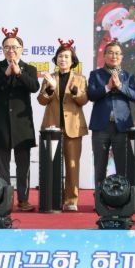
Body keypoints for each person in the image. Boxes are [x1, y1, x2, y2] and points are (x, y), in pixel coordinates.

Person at [0, 27, 39, 211]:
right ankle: (3, 200)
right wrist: (6, 73)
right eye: (7, 47)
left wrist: (19, 73)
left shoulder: (29, 69)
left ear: (21, 49)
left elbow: (34, 87)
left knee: (23, 166)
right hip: (0, 124)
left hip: (22, 126)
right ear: (3, 50)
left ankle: (23, 200)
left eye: (14, 47)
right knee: (2, 166)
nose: (11, 50)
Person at [37, 39, 88, 211]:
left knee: (72, 165)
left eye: (66, 57)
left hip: (73, 127)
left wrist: (74, 91)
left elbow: (83, 100)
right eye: (60, 56)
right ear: (56, 59)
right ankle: (53, 198)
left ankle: (71, 200)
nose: (63, 59)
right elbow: (41, 100)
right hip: (52, 128)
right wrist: (50, 88)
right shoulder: (50, 78)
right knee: (52, 165)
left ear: (72, 60)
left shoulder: (80, 78)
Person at [87, 40, 135, 187]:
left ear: (121, 57)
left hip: (121, 127)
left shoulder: (128, 76)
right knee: (99, 166)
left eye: (117, 53)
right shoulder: (95, 74)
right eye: (110, 53)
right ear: (104, 56)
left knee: (123, 166)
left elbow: (134, 96)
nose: (113, 56)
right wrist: (108, 87)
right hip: (101, 126)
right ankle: (99, 196)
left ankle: (122, 195)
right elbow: (91, 95)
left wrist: (120, 86)